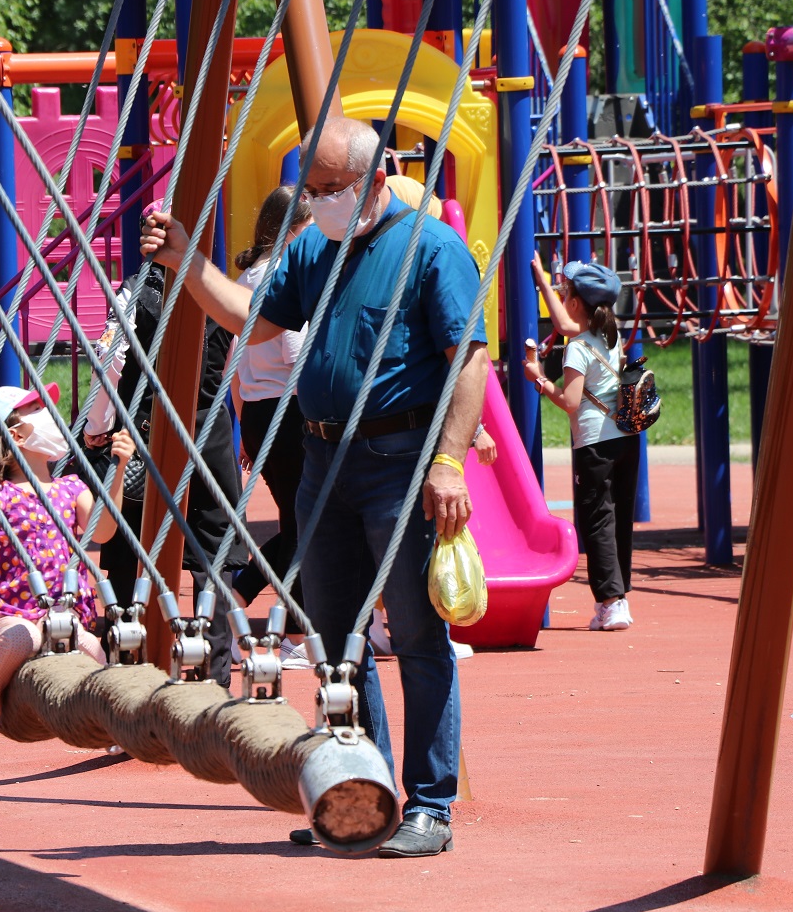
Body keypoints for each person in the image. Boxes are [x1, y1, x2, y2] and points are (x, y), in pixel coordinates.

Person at [140, 117, 489, 858]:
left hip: (401, 459)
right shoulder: (312, 248)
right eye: (317, 188)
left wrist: (449, 461)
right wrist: (187, 262)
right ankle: (359, 793)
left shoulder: (430, 246)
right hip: (322, 461)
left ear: (376, 176)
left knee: (418, 637)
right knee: (335, 645)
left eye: (337, 188)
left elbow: (469, 360)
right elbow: (250, 321)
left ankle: (431, 803)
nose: (324, 199)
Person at [0, 384, 134, 781]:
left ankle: (113, 723)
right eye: (37, 409)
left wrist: (118, 471)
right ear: (15, 435)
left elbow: (101, 532)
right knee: (21, 639)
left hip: (61, 615)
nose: (52, 415)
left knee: (93, 650)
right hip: (6, 612)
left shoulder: (70, 488)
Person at [80, 248, 247, 686]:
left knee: (126, 547)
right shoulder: (217, 290)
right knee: (213, 555)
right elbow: (230, 366)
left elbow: (111, 361)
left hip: (147, 434)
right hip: (208, 433)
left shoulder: (135, 293)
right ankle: (216, 674)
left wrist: (95, 424)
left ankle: (127, 664)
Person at [524, 257, 637, 631]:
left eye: (565, 292)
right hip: (625, 437)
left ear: (576, 303)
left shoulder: (577, 348)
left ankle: (610, 601)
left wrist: (540, 380)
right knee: (618, 517)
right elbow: (565, 324)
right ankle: (619, 598)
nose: (562, 296)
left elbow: (570, 401)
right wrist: (543, 282)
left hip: (594, 443)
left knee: (597, 520)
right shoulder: (610, 333)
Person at [227, 185, 312, 669]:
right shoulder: (283, 275)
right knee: (307, 521)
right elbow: (294, 353)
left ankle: (242, 592)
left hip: (259, 410)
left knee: (296, 519)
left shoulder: (246, 279)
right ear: (292, 230)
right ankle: (295, 632)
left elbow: (236, 366)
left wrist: (243, 426)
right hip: (290, 408)